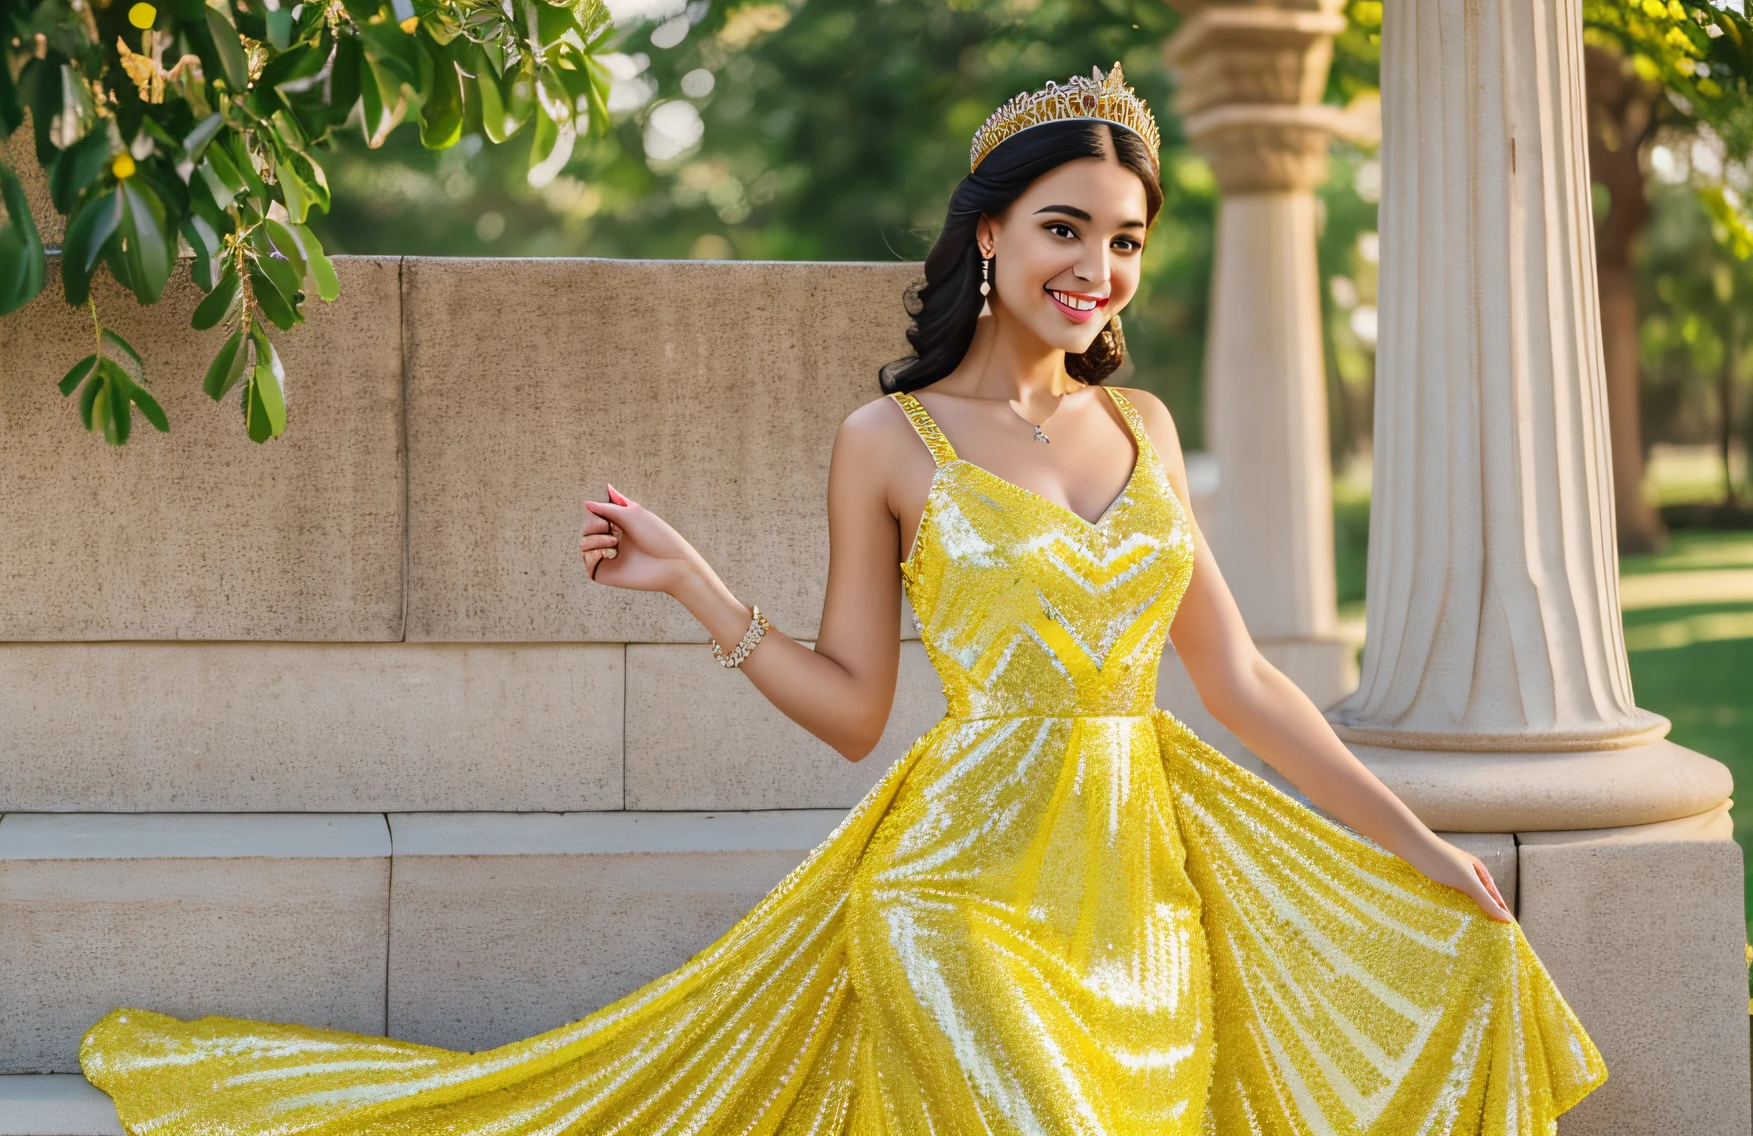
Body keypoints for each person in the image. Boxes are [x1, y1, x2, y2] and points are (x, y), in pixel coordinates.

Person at [79, 63, 1606, 1134]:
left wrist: (1424, 846)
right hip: (957, 895)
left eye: (1126, 240)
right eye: (1067, 228)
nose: (1100, 268)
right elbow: (856, 714)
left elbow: (1249, 687)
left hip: (1141, 901)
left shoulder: (1138, 433)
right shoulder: (890, 442)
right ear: (993, 234)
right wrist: (698, 588)